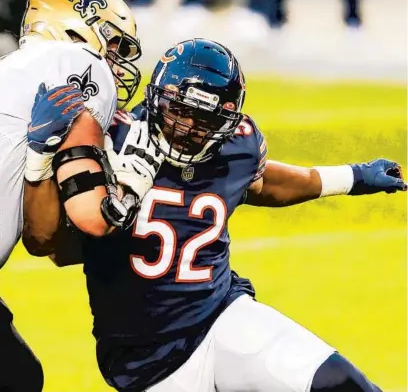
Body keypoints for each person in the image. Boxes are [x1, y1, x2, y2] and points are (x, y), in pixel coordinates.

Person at [25, 38, 406, 392]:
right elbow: (50, 245)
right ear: (157, 98)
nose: (187, 127)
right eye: (179, 110)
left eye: (203, 120)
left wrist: (352, 177)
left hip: (221, 315)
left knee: (339, 382)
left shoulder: (236, 147)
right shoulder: (108, 141)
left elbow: (263, 183)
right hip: (143, 358)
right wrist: (40, 161)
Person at [0, 0, 160, 390]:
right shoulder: (81, 66)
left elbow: (45, 241)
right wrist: (127, 189)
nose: (120, 61)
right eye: (116, 43)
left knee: (16, 374)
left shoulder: (11, 69)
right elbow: (77, 225)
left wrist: (38, 162)